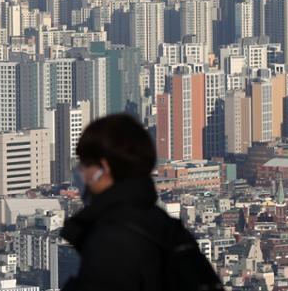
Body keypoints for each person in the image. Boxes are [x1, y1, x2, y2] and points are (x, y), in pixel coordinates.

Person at [60, 114, 222, 291]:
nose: (80, 173)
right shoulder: (168, 227)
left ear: (103, 168)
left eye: (84, 165)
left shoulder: (111, 239)